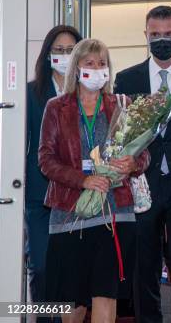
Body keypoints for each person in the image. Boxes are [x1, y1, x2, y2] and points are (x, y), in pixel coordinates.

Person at [39, 38, 150, 323]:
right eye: (90, 63)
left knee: (106, 293)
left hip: (115, 215)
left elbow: (144, 154)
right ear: (76, 68)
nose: (97, 69)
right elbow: (46, 160)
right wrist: (82, 180)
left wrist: (133, 163)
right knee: (72, 302)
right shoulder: (56, 107)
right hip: (69, 214)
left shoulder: (122, 105)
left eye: (102, 64)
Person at [113, 5, 171, 323]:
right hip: (142, 185)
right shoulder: (127, 79)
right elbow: (119, 134)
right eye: (155, 35)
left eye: (168, 34)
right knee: (144, 266)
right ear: (145, 36)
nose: (162, 39)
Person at [26, 25, 82, 321]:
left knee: (71, 269)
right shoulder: (31, 93)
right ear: (48, 55)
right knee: (43, 266)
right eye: (57, 50)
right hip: (40, 195)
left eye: (70, 50)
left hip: (77, 196)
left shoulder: (86, 94)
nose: (63, 56)